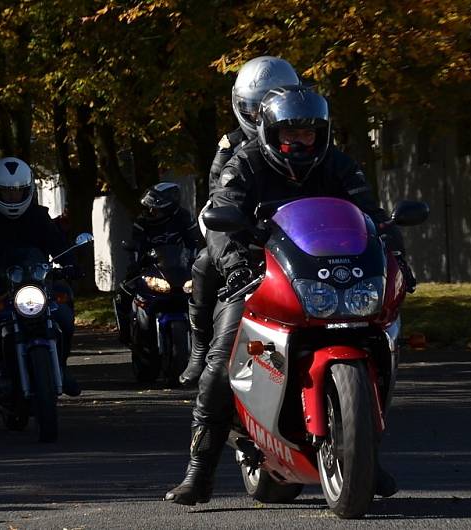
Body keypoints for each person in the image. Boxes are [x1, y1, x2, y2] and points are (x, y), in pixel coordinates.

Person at [165, 85, 405, 506]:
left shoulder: (340, 165)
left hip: (328, 279)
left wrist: (396, 253)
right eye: (289, 133)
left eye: (309, 133)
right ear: (270, 132)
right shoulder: (244, 163)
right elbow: (221, 219)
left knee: (379, 339)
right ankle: (199, 471)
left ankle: (363, 454)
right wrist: (237, 264)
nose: (299, 141)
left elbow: (371, 216)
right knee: (223, 364)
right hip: (259, 276)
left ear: (322, 133)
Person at [179, 56, 301, 386]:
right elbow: (220, 199)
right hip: (247, 239)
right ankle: (200, 342)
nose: (260, 116)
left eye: (269, 106)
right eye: (252, 107)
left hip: (298, 242)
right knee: (204, 263)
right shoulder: (230, 148)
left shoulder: (306, 143)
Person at [0, 157, 80, 399]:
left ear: (29, 190)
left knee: (64, 317)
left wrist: (70, 264)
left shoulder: (39, 217)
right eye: (7, 193)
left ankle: (61, 367)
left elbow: (59, 245)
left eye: (18, 193)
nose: (13, 198)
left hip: (36, 284)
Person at [114, 182, 201, 344]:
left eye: (156, 207)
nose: (151, 211)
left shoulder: (184, 217)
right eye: (150, 207)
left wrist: (195, 262)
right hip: (151, 268)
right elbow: (135, 246)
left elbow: (194, 243)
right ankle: (127, 335)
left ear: (169, 206)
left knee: (208, 294)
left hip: (180, 270)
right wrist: (135, 264)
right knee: (122, 294)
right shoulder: (142, 222)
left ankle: (209, 337)